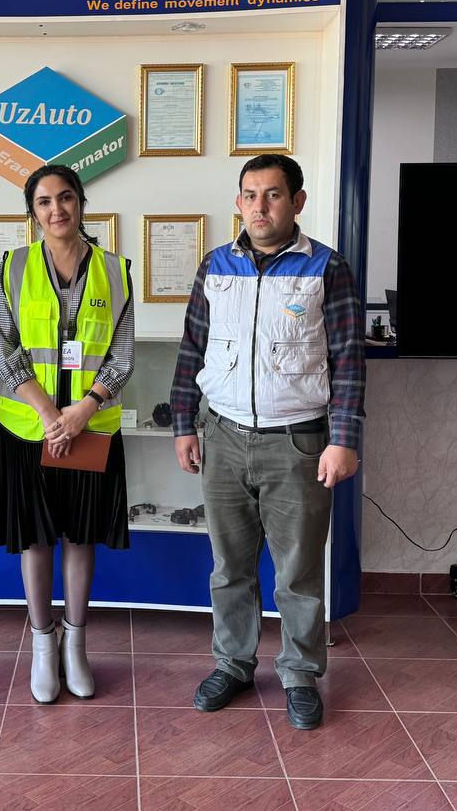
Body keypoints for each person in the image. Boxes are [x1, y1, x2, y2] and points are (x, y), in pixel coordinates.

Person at [170, 153, 365, 730]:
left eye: (273, 194)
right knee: (229, 567)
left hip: (299, 444)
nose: (260, 206)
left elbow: (349, 360)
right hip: (223, 437)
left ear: (297, 201)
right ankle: (232, 664)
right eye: (250, 195)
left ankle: (300, 673)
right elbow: (192, 349)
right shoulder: (216, 265)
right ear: (239, 203)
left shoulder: (327, 268)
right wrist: (183, 424)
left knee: (298, 571)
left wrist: (343, 438)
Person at [0, 164, 134, 704]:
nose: (56, 209)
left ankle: (76, 644)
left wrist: (82, 412)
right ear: (32, 212)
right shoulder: (13, 266)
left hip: (90, 429)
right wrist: (51, 414)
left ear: (81, 203)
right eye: (44, 201)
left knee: (80, 536)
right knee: (35, 538)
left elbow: (122, 355)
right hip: (29, 428)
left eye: (65, 197)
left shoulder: (115, 270)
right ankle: (43, 645)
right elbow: (3, 348)